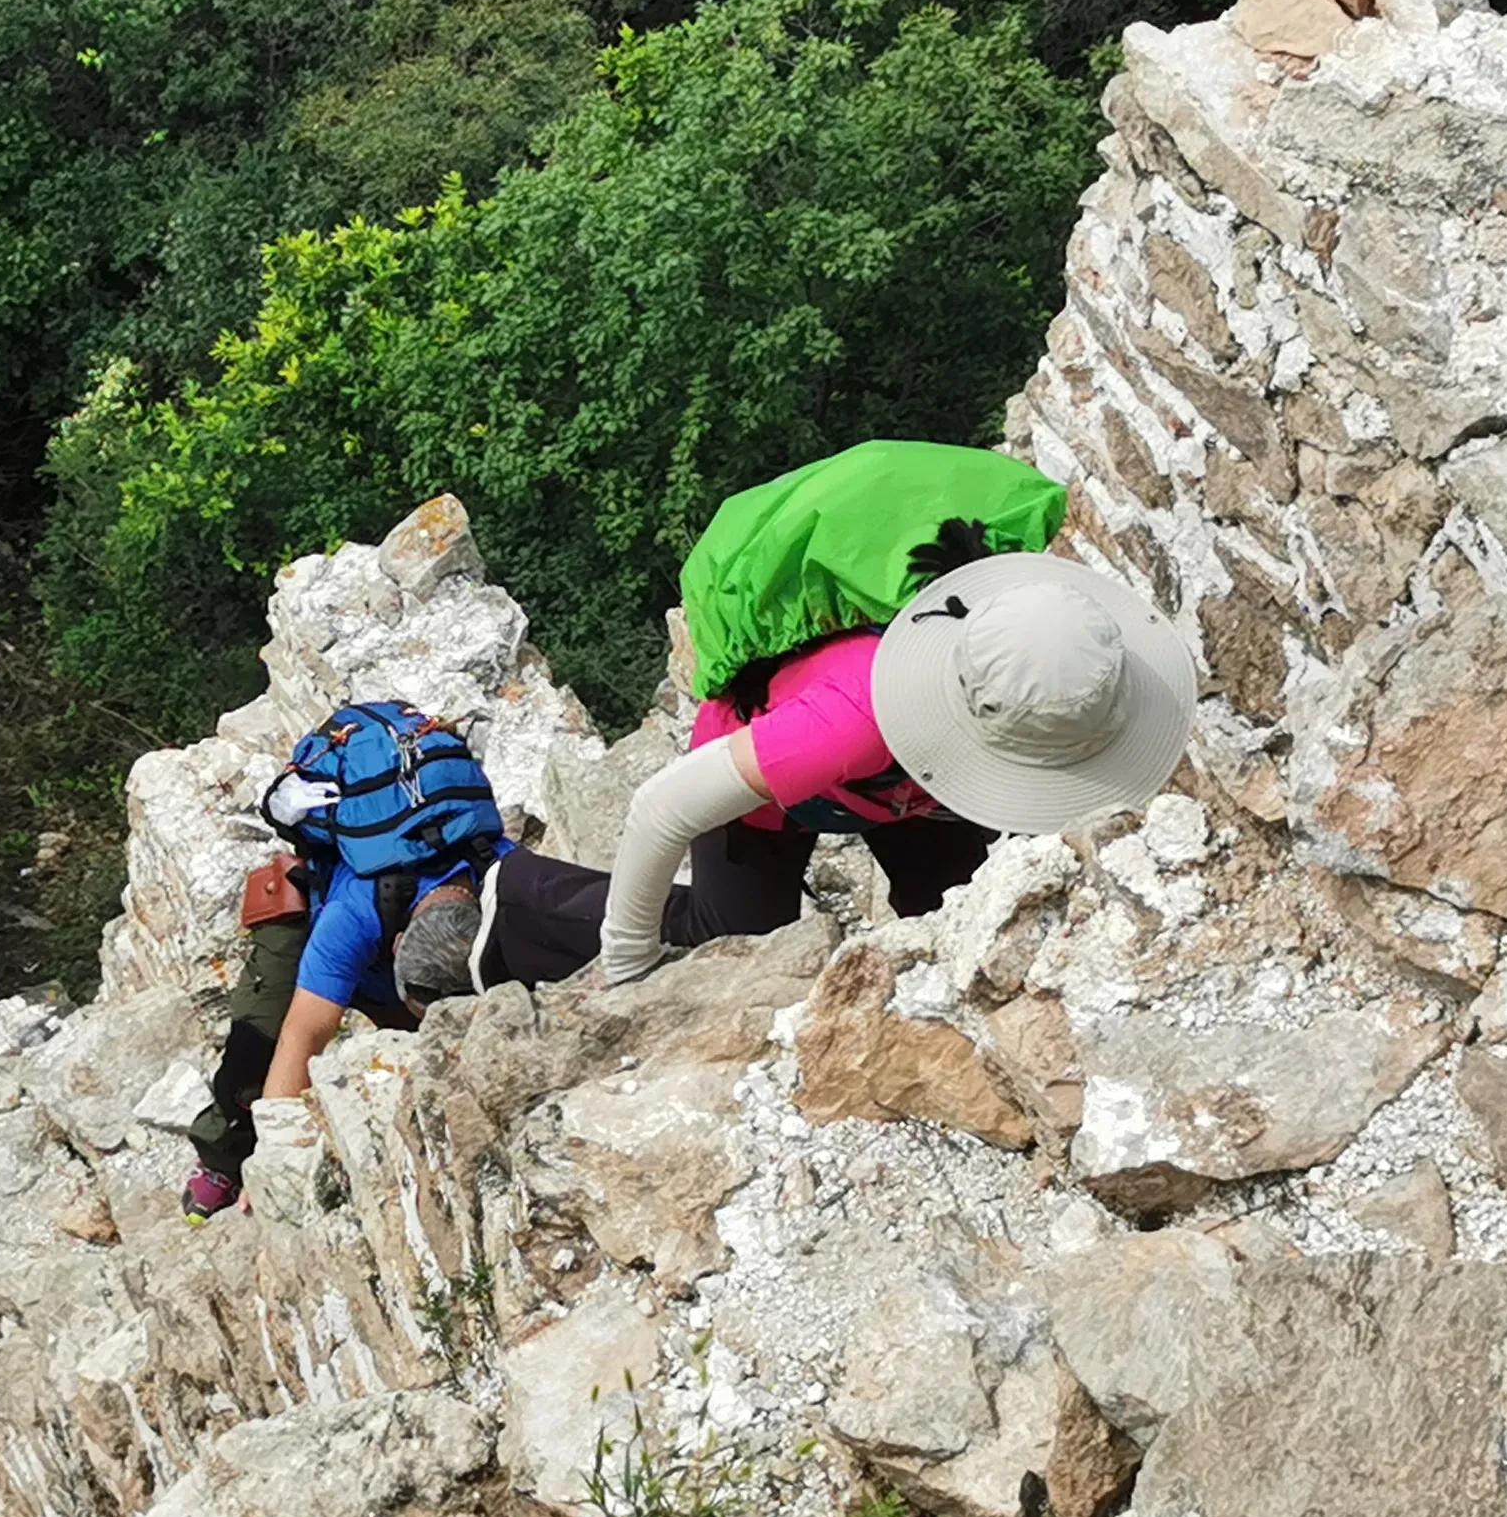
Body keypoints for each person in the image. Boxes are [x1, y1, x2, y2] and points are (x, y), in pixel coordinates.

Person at [594, 443, 1197, 986]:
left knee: (952, 915)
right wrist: (625, 964)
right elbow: (661, 809)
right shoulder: (849, 719)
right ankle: (524, 899)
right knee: (740, 943)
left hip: (911, 785)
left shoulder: (1073, 647)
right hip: (773, 772)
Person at [185, 698, 512, 1218]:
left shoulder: (506, 876)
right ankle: (221, 1158)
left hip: (401, 934)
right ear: (400, 945)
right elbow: (305, 1034)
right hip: (311, 908)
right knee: (255, 1052)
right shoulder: (350, 919)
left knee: (428, 1044)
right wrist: (273, 1166)